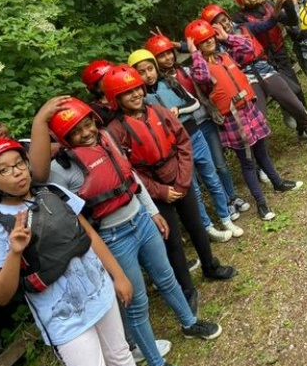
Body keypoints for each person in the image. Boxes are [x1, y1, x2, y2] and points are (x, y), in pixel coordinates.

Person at [41, 97, 222, 366]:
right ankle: (156, 363)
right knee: (136, 303)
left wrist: (153, 211)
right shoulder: (60, 170)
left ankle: (190, 322)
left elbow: (131, 177)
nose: (86, 133)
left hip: (141, 219)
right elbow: (67, 213)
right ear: (63, 138)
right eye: (76, 132)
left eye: (88, 125)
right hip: (113, 237)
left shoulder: (105, 140)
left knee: (167, 277)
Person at [0, 138, 141, 366]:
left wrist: (119, 275)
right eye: (4, 170)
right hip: (65, 320)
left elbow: (88, 235)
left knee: (121, 356)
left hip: (101, 293)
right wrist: (14, 253)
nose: (17, 172)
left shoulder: (53, 192)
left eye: (20, 163)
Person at [100, 65, 237, 308]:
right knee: (171, 240)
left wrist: (183, 180)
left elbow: (183, 142)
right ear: (115, 99)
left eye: (136, 89)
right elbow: (127, 170)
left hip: (178, 178)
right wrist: (161, 191)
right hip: (154, 191)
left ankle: (210, 266)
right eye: (126, 92)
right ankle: (186, 288)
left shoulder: (158, 110)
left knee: (196, 227)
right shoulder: (116, 130)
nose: (135, 95)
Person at [185, 19, 304, 221]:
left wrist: (226, 37)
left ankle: (277, 182)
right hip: (233, 118)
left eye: (210, 37)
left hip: (248, 109)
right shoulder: (200, 66)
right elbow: (202, 77)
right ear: (196, 46)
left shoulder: (224, 55)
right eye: (203, 41)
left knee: (262, 152)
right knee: (248, 162)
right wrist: (194, 53)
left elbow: (249, 48)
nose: (209, 42)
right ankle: (261, 204)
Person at [127, 48, 243, 242]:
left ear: (156, 67)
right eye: (142, 72)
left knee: (212, 178)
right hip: (174, 149)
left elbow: (195, 103)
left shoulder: (170, 82)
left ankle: (226, 218)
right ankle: (207, 227)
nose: (148, 75)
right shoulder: (141, 100)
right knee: (192, 188)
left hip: (194, 136)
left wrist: (179, 110)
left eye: (150, 69)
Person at [201, 3, 307, 147]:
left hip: (264, 69)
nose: (224, 24)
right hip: (246, 78)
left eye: (224, 20)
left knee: (295, 103)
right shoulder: (214, 47)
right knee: (259, 117)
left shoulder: (244, 28)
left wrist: (280, 7)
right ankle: (261, 156)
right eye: (218, 24)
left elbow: (256, 38)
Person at [144, 34, 250, 218]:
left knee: (220, 165)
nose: (167, 58)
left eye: (169, 53)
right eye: (161, 56)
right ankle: (225, 203)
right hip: (185, 131)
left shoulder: (186, 71)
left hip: (205, 122)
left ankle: (232, 197)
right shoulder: (159, 85)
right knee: (205, 171)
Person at [230, 0, 306, 128]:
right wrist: (276, 9)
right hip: (262, 62)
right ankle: (288, 114)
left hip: (279, 53)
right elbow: (260, 28)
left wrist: (286, 2)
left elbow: (292, 21)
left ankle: (304, 127)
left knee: (297, 90)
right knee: (283, 91)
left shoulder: (268, 6)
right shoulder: (238, 18)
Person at [80, 59, 116, 125]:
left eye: (113, 73)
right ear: (97, 88)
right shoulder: (97, 109)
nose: (112, 78)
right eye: (106, 78)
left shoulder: (129, 91)